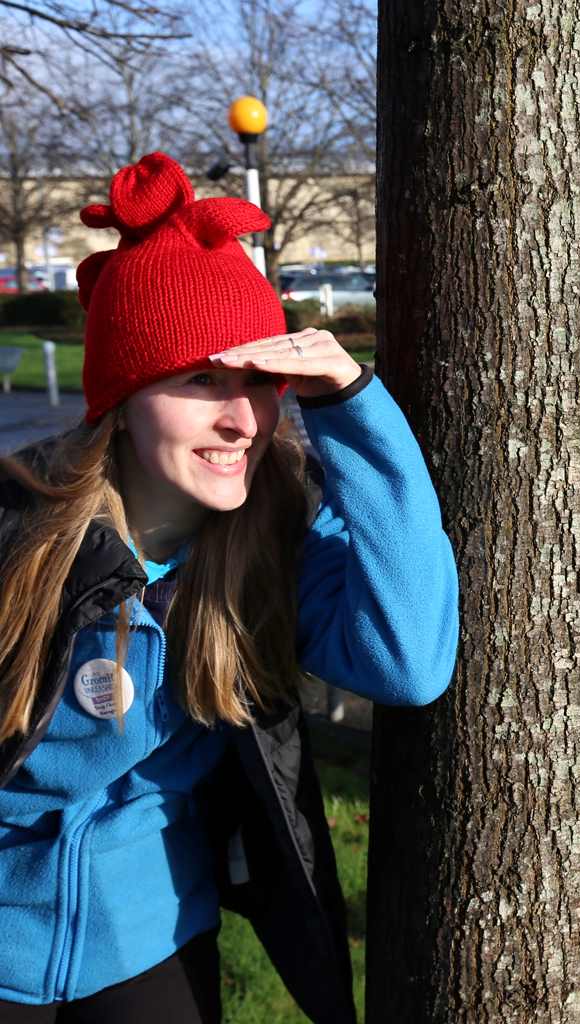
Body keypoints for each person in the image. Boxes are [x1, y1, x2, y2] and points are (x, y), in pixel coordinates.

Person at [0, 152, 459, 1023]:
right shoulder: (20, 528)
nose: (241, 418)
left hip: (152, 937)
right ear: (125, 398)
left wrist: (355, 407)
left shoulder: (277, 536)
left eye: (261, 382)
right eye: (202, 379)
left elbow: (411, 660)